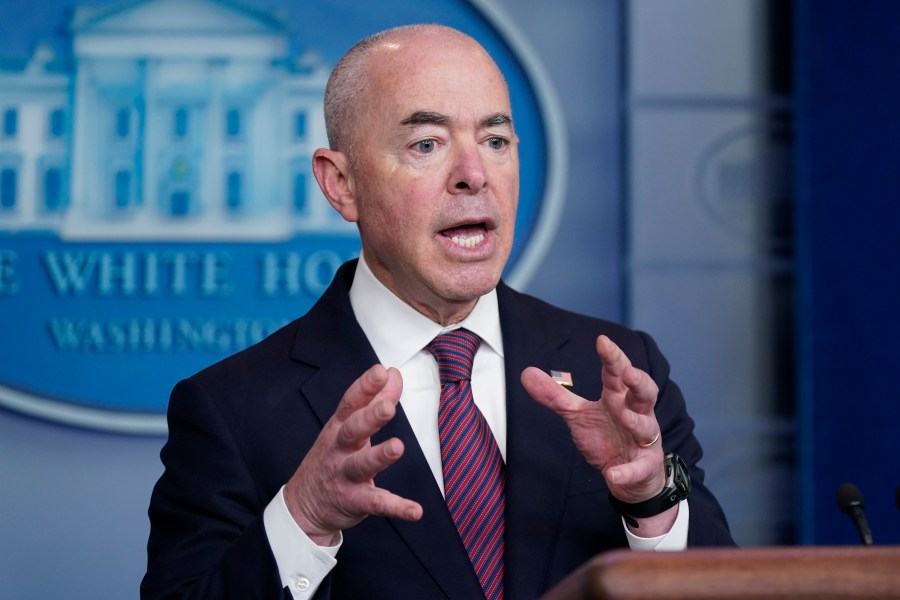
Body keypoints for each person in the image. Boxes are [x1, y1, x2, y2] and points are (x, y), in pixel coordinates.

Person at [141, 23, 733, 600]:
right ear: (341, 183)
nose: (474, 175)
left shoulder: (617, 371)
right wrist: (304, 518)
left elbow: (728, 587)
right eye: (427, 144)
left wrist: (650, 501)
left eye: (495, 141)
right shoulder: (233, 408)